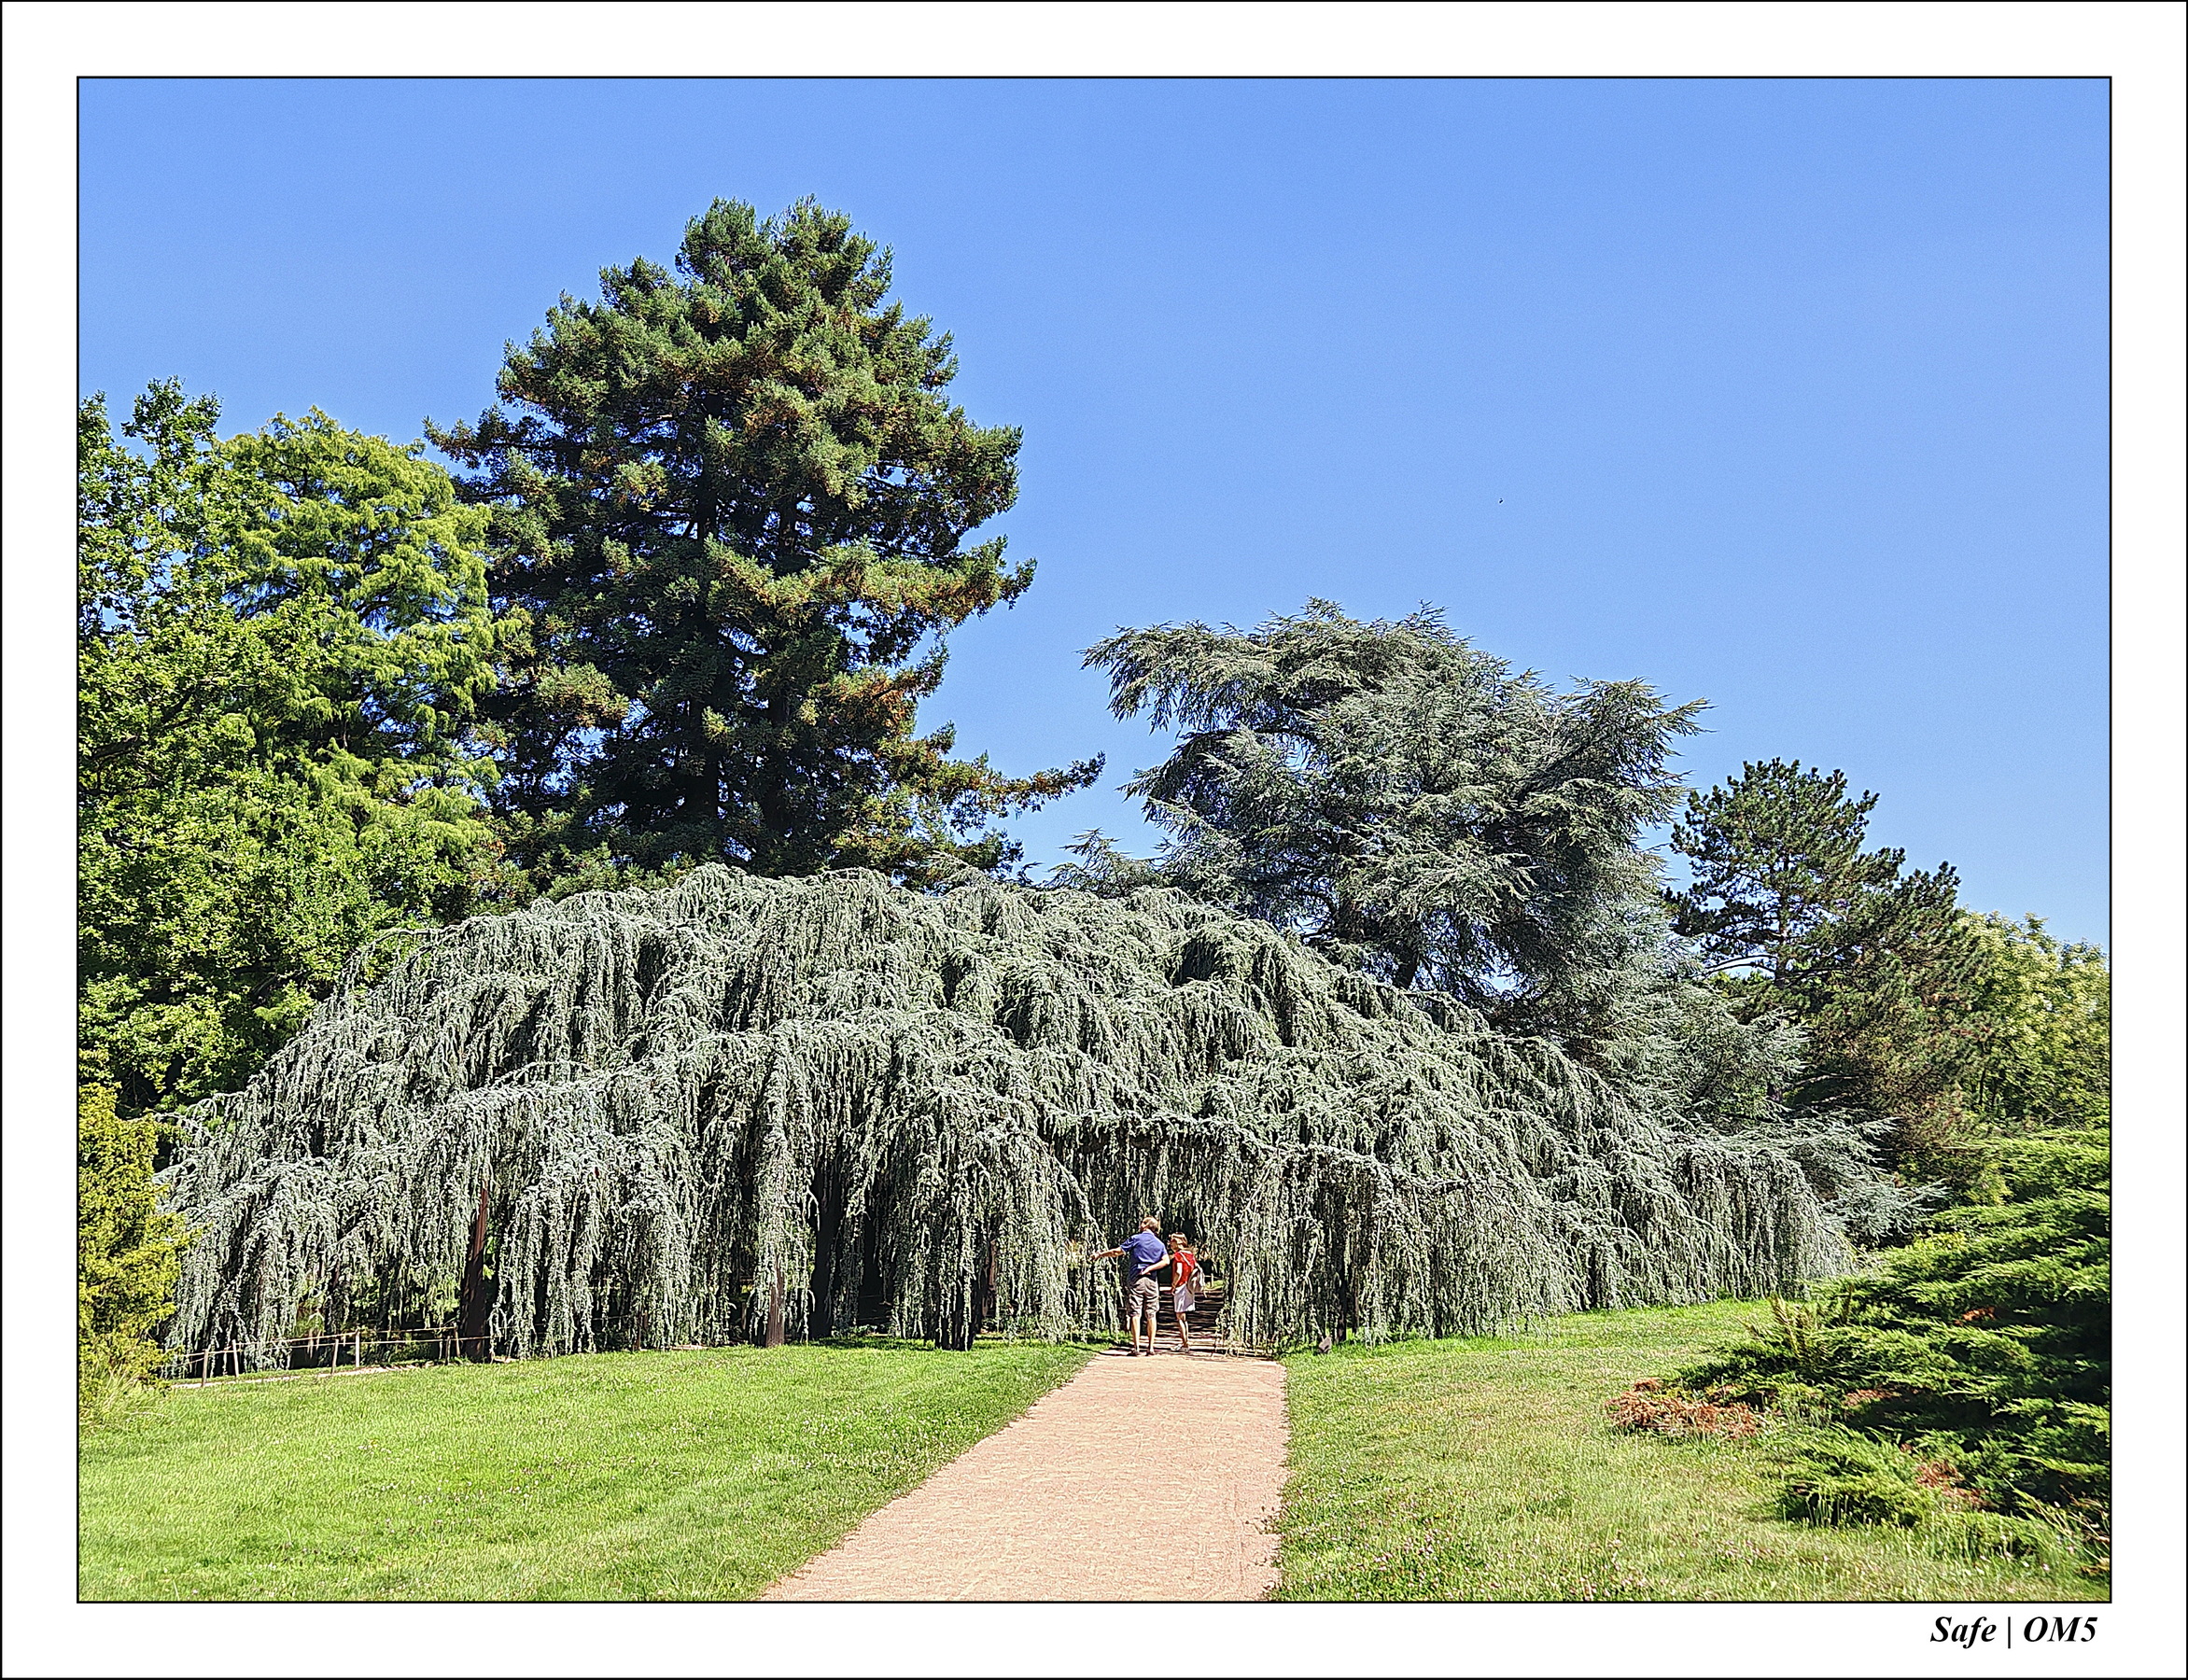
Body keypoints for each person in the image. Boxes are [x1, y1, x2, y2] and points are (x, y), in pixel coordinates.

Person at [1091, 1216, 1171, 1355]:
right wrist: (1151, 1268)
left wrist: (1100, 1254)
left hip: (1137, 1279)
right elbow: (1166, 1261)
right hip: (1152, 1281)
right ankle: (1151, 1348)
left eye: (1142, 1222)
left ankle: (1136, 1347)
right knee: (1151, 1313)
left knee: (1136, 1312)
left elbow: (1117, 1252)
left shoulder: (1136, 1238)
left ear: (1145, 1225)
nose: (1140, 1224)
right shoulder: (1159, 1244)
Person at [1167, 1233, 1199, 1354]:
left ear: (1179, 1242)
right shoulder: (1190, 1255)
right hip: (1189, 1287)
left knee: (1179, 1317)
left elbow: (1179, 1272)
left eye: (1172, 1241)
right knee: (1184, 1317)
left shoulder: (1179, 1255)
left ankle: (1185, 1344)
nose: (1170, 1243)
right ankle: (1185, 1341)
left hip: (1181, 1286)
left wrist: (1173, 1285)